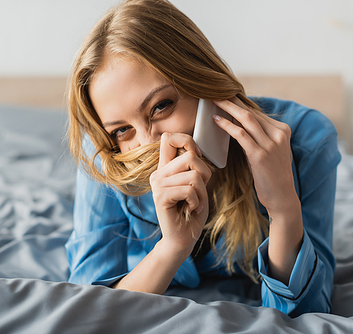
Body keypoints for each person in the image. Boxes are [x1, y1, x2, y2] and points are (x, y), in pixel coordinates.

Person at [65, 0, 341, 317]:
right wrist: (172, 246)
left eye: (160, 106)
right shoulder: (102, 153)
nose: (149, 144)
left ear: (203, 82)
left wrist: (283, 212)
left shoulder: (308, 139)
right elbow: (89, 310)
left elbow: (310, 316)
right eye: (123, 130)